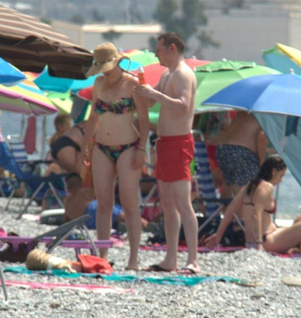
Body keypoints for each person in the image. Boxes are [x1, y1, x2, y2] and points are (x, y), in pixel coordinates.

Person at [132, 31, 199, 273]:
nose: (156, 53)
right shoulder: (167, 73)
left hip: (180, 143)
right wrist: (137, 90)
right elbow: (152, 101)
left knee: (183, 202)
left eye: (158, 49)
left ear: (171, 48)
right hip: (164, 143)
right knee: (168, 204)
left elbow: (183, 106)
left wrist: (154, 94)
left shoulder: (183, 73)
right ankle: (171, 259)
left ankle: (193, 260)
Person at [81, 42, 149, 270]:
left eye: (107, 66)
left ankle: (133, 259)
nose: (105, 71)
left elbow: (145, 120)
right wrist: (84, 144)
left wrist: (141, 148)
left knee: (129, 203)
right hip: (101, 146)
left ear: (118, 62)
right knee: (103, 203)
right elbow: (93, 118)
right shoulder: (99, 83)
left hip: (128, 146)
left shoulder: (132, 84)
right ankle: (102, 257)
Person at [203, 155, 301, 255]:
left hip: (253, 240)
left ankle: (297, 248)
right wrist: (258, 244)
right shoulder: (267, 187)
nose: (280, 181)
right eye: (281, 176)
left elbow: (229, 210)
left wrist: (218, 235)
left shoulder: (249, 186)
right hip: (266, 240)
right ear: (274, 171)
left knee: (289, 228)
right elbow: (256, 214)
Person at [206, 110, 267, 196]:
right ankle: (242, 208)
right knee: (251, 194)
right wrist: (262, 164)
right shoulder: (263, 114)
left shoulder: (243, 111)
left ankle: (226, 208)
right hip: (241, 152)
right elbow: (262, 137)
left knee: (232, 189)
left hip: (223, 149)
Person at [47, 114, 94, 221]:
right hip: (68, 146)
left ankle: (69, 217)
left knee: (79, 182)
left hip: (65, 145)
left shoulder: (89, 122)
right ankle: (77, 215)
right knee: (84, 182)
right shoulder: (98, 124)